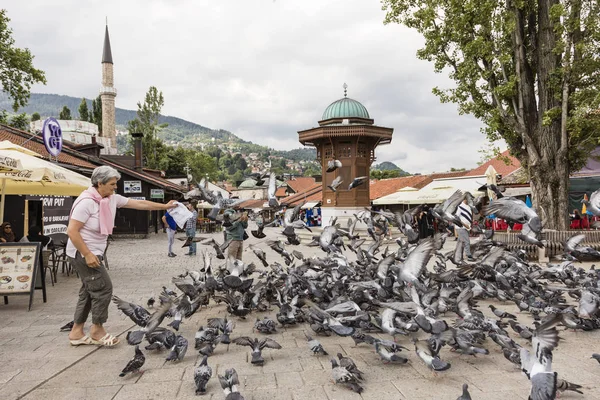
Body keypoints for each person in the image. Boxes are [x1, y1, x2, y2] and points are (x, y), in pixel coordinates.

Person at [66, 166, 175, 347]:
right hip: (83, 252)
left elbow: (139, 204)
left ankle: (76, 332)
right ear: (99, 183)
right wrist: (87, 254)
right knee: (103, 288)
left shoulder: (110, 199)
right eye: (112, 184)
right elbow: (72, 231)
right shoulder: (86, 202)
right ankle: (97, 331)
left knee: (89, 290)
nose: (115, 187)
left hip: (94, 252)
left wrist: (164, 206)